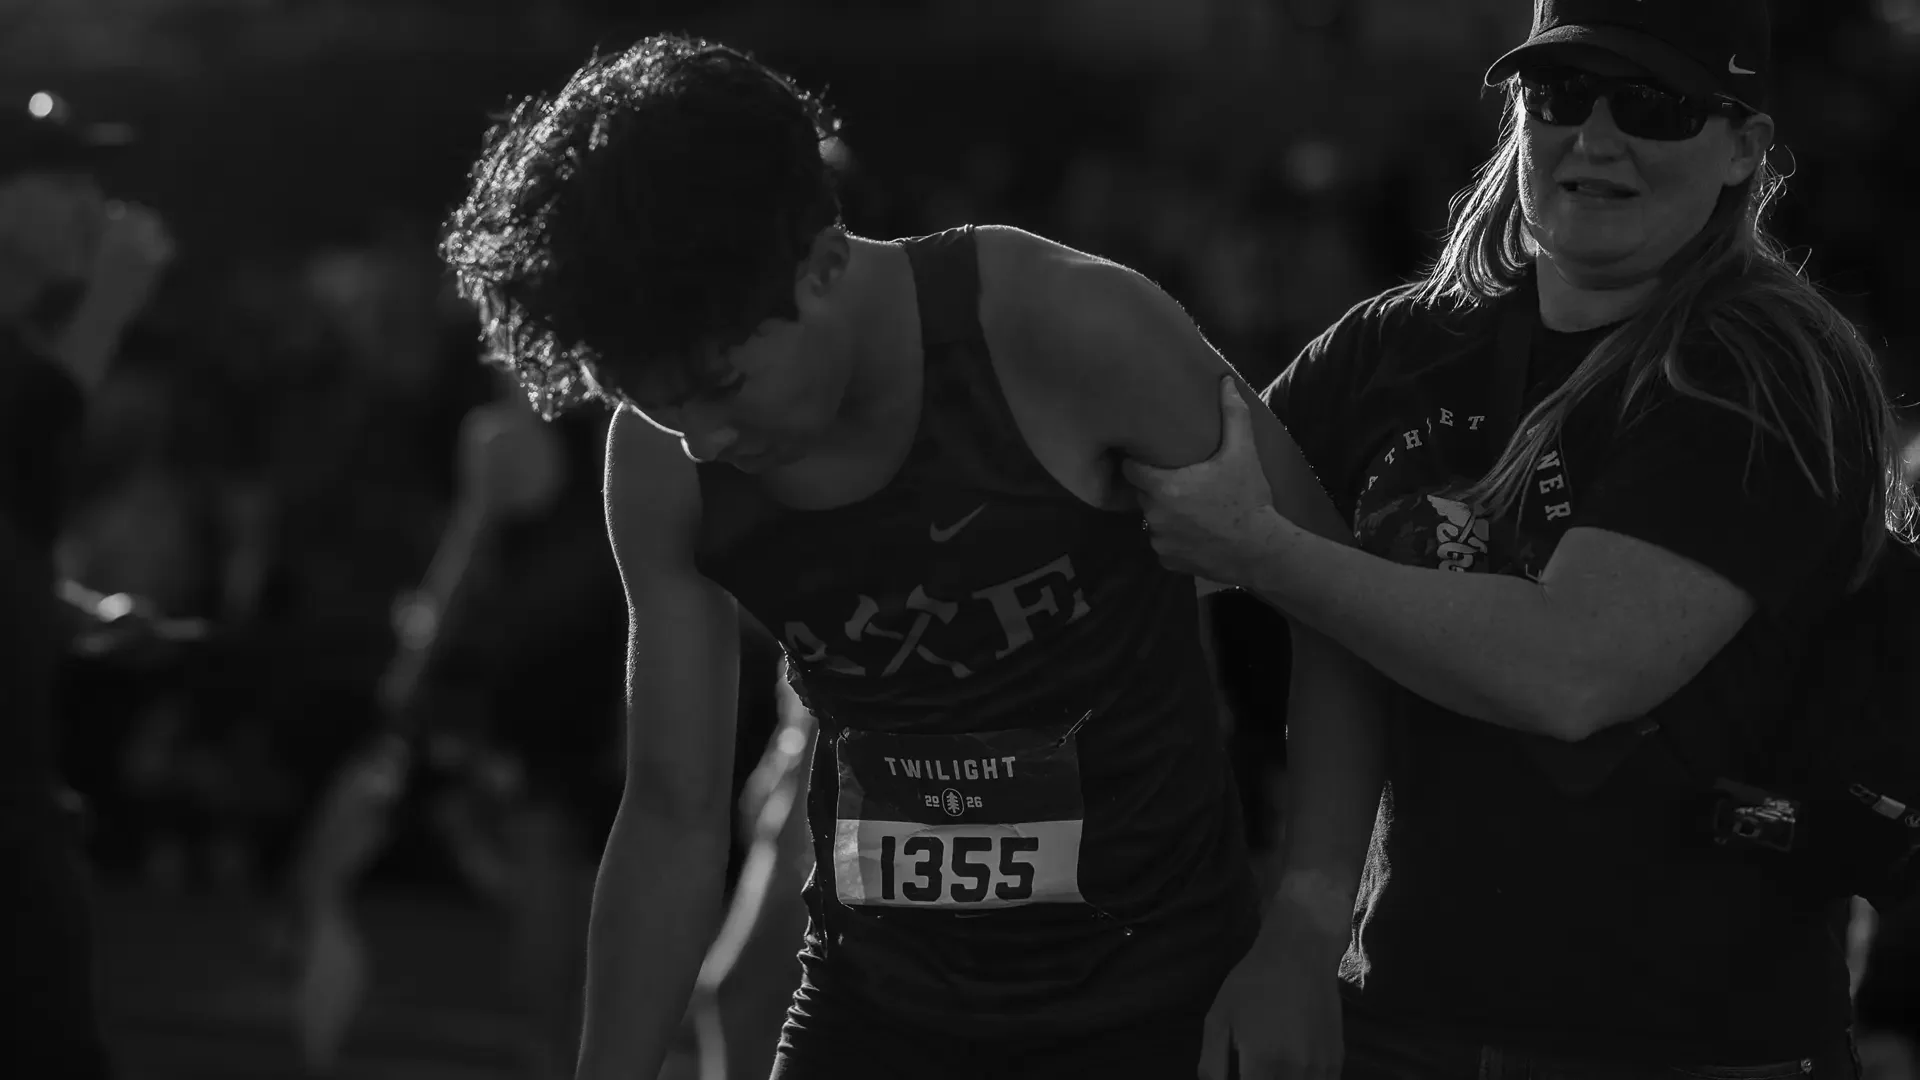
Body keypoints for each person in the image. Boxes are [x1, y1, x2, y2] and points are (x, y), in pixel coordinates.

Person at [437, 33, 1384, 1080]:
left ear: (827, 262)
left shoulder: (1066, 330)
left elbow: (1338, 604)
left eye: (721, 386)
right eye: (653, 402)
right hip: (869, 1018)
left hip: (1159, 1012)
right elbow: (672, 809)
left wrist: (1303, 933)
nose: (701, 438)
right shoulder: (663, 460)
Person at [1128, 2, 1916, 1078]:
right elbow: (1154, 545)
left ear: (1744, 148)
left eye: (1655, 106)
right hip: (1401, 1019)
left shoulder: (1761, 371)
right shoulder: (1393, 347)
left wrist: (1268, 552)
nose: (1596, 139)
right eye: (1560, 96)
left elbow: (1574, 667)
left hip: (1692, 1044)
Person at [0, 90, 173, 1077]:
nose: (94, 206)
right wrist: (107, 305)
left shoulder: (25, 358)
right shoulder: (36, 373)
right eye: (60, 180)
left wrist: (80, 615)